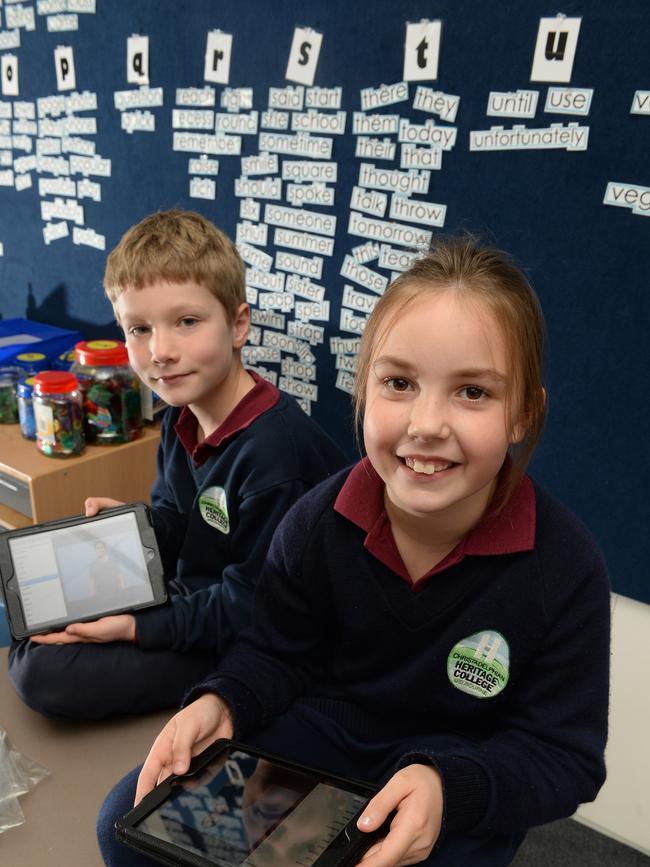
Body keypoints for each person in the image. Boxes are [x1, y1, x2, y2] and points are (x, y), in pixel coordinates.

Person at [97, 235, 610, 866]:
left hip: (458, 780)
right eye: (398, 382)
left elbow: (565, 758)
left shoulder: (565, 566)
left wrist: (451, 788)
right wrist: (223, 698)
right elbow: (274, 652)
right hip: (318, 745)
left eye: (473, 392)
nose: (426, 424)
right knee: (131, 826)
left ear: (522, 415)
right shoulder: (316, 521)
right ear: (363, 392)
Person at [8, 209, 347, 719]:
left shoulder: (277, 456)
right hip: (192, 600)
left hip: (253, 636)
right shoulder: (179, 417)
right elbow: (179, 522)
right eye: (139, 329)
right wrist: (135, 527)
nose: (161, 351)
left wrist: (137, 627)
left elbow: (256, 606)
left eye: (186, 322)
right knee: (24, 612)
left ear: (238, 324)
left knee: (40, 670)